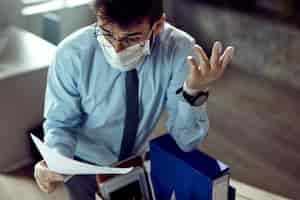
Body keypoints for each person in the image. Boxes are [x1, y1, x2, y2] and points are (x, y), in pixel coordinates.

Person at [33, 0, 234, 199]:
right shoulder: (70, 54)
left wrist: (193, 93)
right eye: (107, 33)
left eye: (131, 38)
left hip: (134, 162)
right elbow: (60, 123)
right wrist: (56, 161)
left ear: (157, 26)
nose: (117, 48)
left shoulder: (180, 51)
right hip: (81, 163)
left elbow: (186, 142)